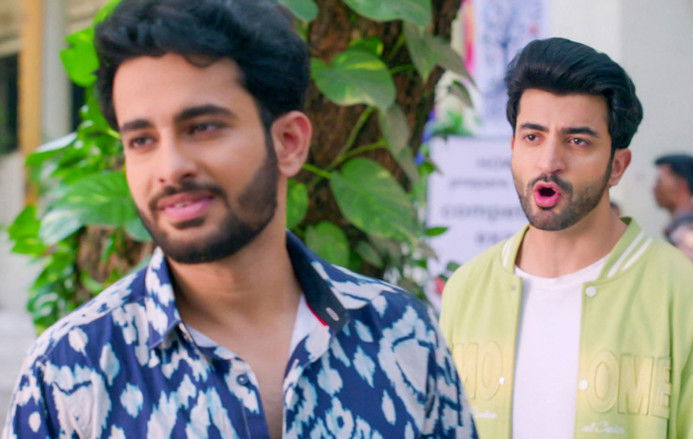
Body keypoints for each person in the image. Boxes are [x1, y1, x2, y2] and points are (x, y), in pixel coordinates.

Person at [3, 1, 475, 438]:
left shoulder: (401, 335)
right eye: (142, 140)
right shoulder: (72, 368)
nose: (170, 168)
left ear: (289, 142)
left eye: (203, 127)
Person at [439, 37, 693, 438]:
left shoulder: (686, 299)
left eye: (578, 141)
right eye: (532, 136)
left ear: (617, 166)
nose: (549, 162)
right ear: (512, 147)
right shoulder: (467, 291)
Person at [653, 154, 693, 280]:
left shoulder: (689, 235)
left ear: (681, 185)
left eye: (659, 182)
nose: (654, 188)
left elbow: (687, 284)